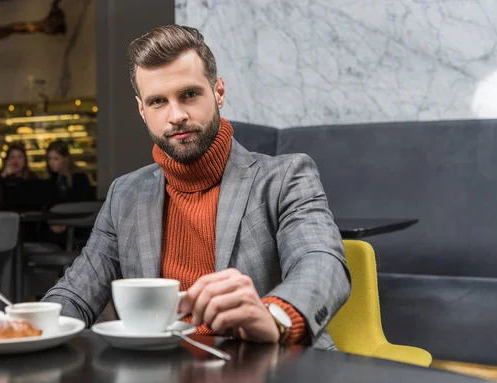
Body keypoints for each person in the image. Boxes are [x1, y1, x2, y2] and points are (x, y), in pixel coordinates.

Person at [42, 25, 350, 348]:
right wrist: (21, 327)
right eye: (158, 101)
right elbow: (76, 292)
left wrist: (275, 316)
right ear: (141, 110)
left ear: (218, 92)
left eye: (189, 94)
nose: (176, 115)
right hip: (158, 377)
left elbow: (322, 262)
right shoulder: (125, 195)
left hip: (267, 370)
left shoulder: (286, 177)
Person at [0, 143, 38, 209]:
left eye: (20, 157)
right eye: (12, 157)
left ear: (25, 160)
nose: (16, 161)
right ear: (7, 160)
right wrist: (3, 176)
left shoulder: (32, 176)